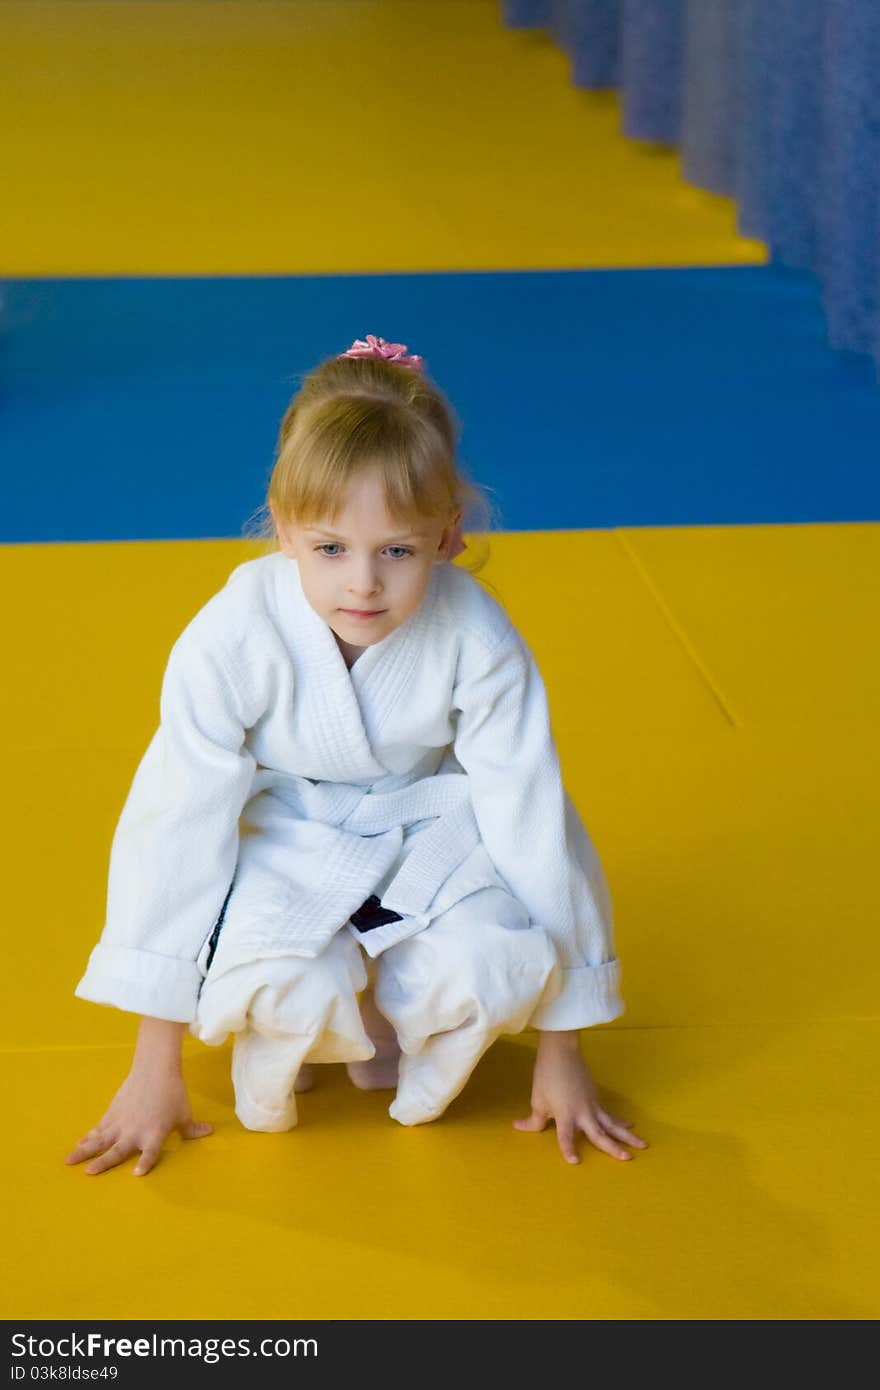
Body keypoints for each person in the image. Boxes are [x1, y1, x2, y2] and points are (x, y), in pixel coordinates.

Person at [65, 333, 647, 1178]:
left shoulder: (477, 636)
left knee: (495, 969)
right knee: (281, 991)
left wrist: (564, 1050)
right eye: (331, 548)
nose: (363, 584)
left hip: (429, 835)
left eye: (397, 551)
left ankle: (396, 1012)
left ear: (447, 537)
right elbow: (177, 823)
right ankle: (320, 1010)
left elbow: (532, 817)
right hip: (284, 836)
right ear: (285, 529)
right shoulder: (233, 635)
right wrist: (152, 1067)